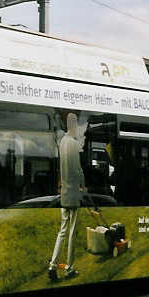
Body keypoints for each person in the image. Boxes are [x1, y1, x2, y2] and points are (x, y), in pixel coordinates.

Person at [48, 113, 94, 281]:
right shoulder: (73, 144)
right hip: (74, 193)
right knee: (72, 232)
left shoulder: (62, 143)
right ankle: (69, 269)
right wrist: (83, 186)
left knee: (62, 230)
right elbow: (78, 169)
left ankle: (53, 265)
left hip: (64, 193)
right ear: (73, 126)